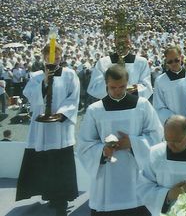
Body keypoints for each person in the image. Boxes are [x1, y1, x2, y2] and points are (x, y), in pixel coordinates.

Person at [78, 64, 163, 216]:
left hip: (136, 175)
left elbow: (156, 136)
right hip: (107, 177)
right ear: (106, 84)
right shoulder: (95, 109)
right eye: (113, 87)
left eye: (122, 87)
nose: (117, 91)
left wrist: (133, 143)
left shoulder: (142, 105)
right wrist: (103, 151)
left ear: (128, 82)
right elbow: (85, 144)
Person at [16, 43, 80, 216]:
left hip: (60, 128)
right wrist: (44, 82)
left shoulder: (69, 74)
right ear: (44, 57)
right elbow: (29, 95)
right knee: (46, 163)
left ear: (61, 56)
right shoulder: (36, 76)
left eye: (58, 57)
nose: (55, 61)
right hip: (41, 129)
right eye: (51, 57)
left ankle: (61, 200)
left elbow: (74, 98)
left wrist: (61, 114)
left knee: (60, 164)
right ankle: (50, 195)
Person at [87, 32, 153, 100]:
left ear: (130, 42)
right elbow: (94, 88)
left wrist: (133, 89)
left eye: (126, 41)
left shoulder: (141, 62)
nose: (123, 44)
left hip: (133, 105)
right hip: (110, 106)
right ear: (115, 42)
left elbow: (147, 88)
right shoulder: (103, 62)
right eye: (120, 42)